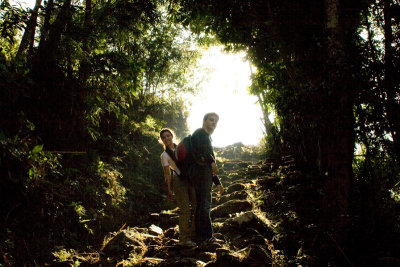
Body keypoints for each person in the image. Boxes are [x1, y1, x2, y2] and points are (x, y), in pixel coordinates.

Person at [190, 112, 224, 245]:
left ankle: (201, 236)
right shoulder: (199, 133)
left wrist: (218, 183)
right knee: (204, 206)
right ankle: (206, 236)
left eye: (216, 121)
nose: (213, 123)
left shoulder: (207, 138)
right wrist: (212, 161)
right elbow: (204, 154)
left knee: (203, 205)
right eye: (211, 120)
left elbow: (210, 166)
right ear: (204, 121)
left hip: (205, 176)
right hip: (199, 176)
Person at [159, 128, 196, 247]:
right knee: (185, 210)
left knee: (196, 207)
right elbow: (167, 173)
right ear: (162, 140)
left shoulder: (181, 147)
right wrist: (169, 189)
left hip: (190, 178)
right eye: (164, 137)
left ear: (172, 136)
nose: (166, 139)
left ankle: (195, 235)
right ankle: (184, 239)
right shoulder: (164, 155)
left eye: (168, 136)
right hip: (178, 181)